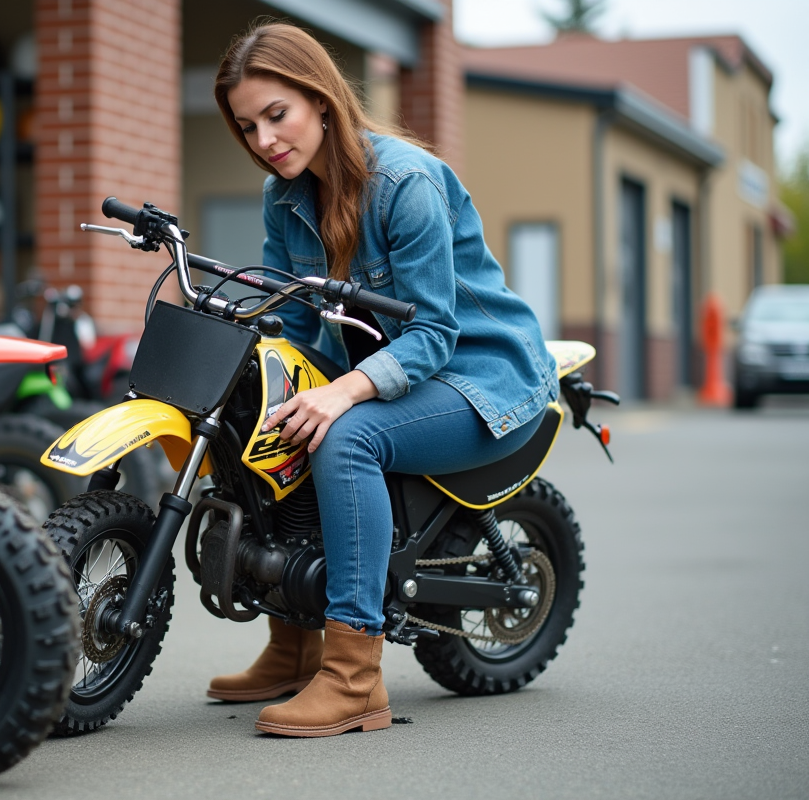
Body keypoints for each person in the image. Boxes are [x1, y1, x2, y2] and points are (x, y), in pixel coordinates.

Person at [206, 22, 559, 738]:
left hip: (480, 379)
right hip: (397, 374)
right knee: (274, 420)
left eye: (279, 115)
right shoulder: (284, 196)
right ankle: (294, 644)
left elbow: (433, 335)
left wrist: (341, 392)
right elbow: (300, 328)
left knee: (347, 439)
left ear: (322, 100)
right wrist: (262, 374)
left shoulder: (404, 183)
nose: (266, 140)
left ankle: (354, 677)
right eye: (248, 127)